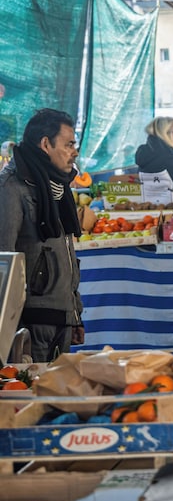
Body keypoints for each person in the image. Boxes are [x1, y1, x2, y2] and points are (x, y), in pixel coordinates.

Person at [0, 109, 84, 361]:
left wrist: (75, 316)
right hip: (31, 325)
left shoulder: (56, 186)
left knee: (57, 396)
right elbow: (2, 260)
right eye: (69, 144)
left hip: (61, 319)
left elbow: (66, 255)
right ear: (46, 144)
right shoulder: (11, 188)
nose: (75, 152)